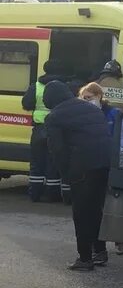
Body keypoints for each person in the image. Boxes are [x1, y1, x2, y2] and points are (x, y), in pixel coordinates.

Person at [44, 80, 112, 271]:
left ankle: (84, 258)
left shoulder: (55, 117)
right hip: (104, 164)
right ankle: (100, 251)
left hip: (82, 167)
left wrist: (66, 174)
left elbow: (57, 150)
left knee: (82, 213)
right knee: (96, 209)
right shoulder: (92, 109)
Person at [79, 82, 123, 255]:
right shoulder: (83, 114)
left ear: (99, 96)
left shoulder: (114, 114)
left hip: (112, 164)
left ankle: (120, 241)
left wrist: (118, 153)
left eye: (90, 98)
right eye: (84, 98)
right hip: (93, 164)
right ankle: (99, 246)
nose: (87, 101)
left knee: (115, 205)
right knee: (96, 206)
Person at [21, 59, 71, 202]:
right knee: (53, 164)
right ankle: (52, 195)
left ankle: (34, 195)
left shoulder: (36, 86)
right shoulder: (63, 86)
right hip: (56, 130)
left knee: (36, 163)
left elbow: (26, 104)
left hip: (38, 129)